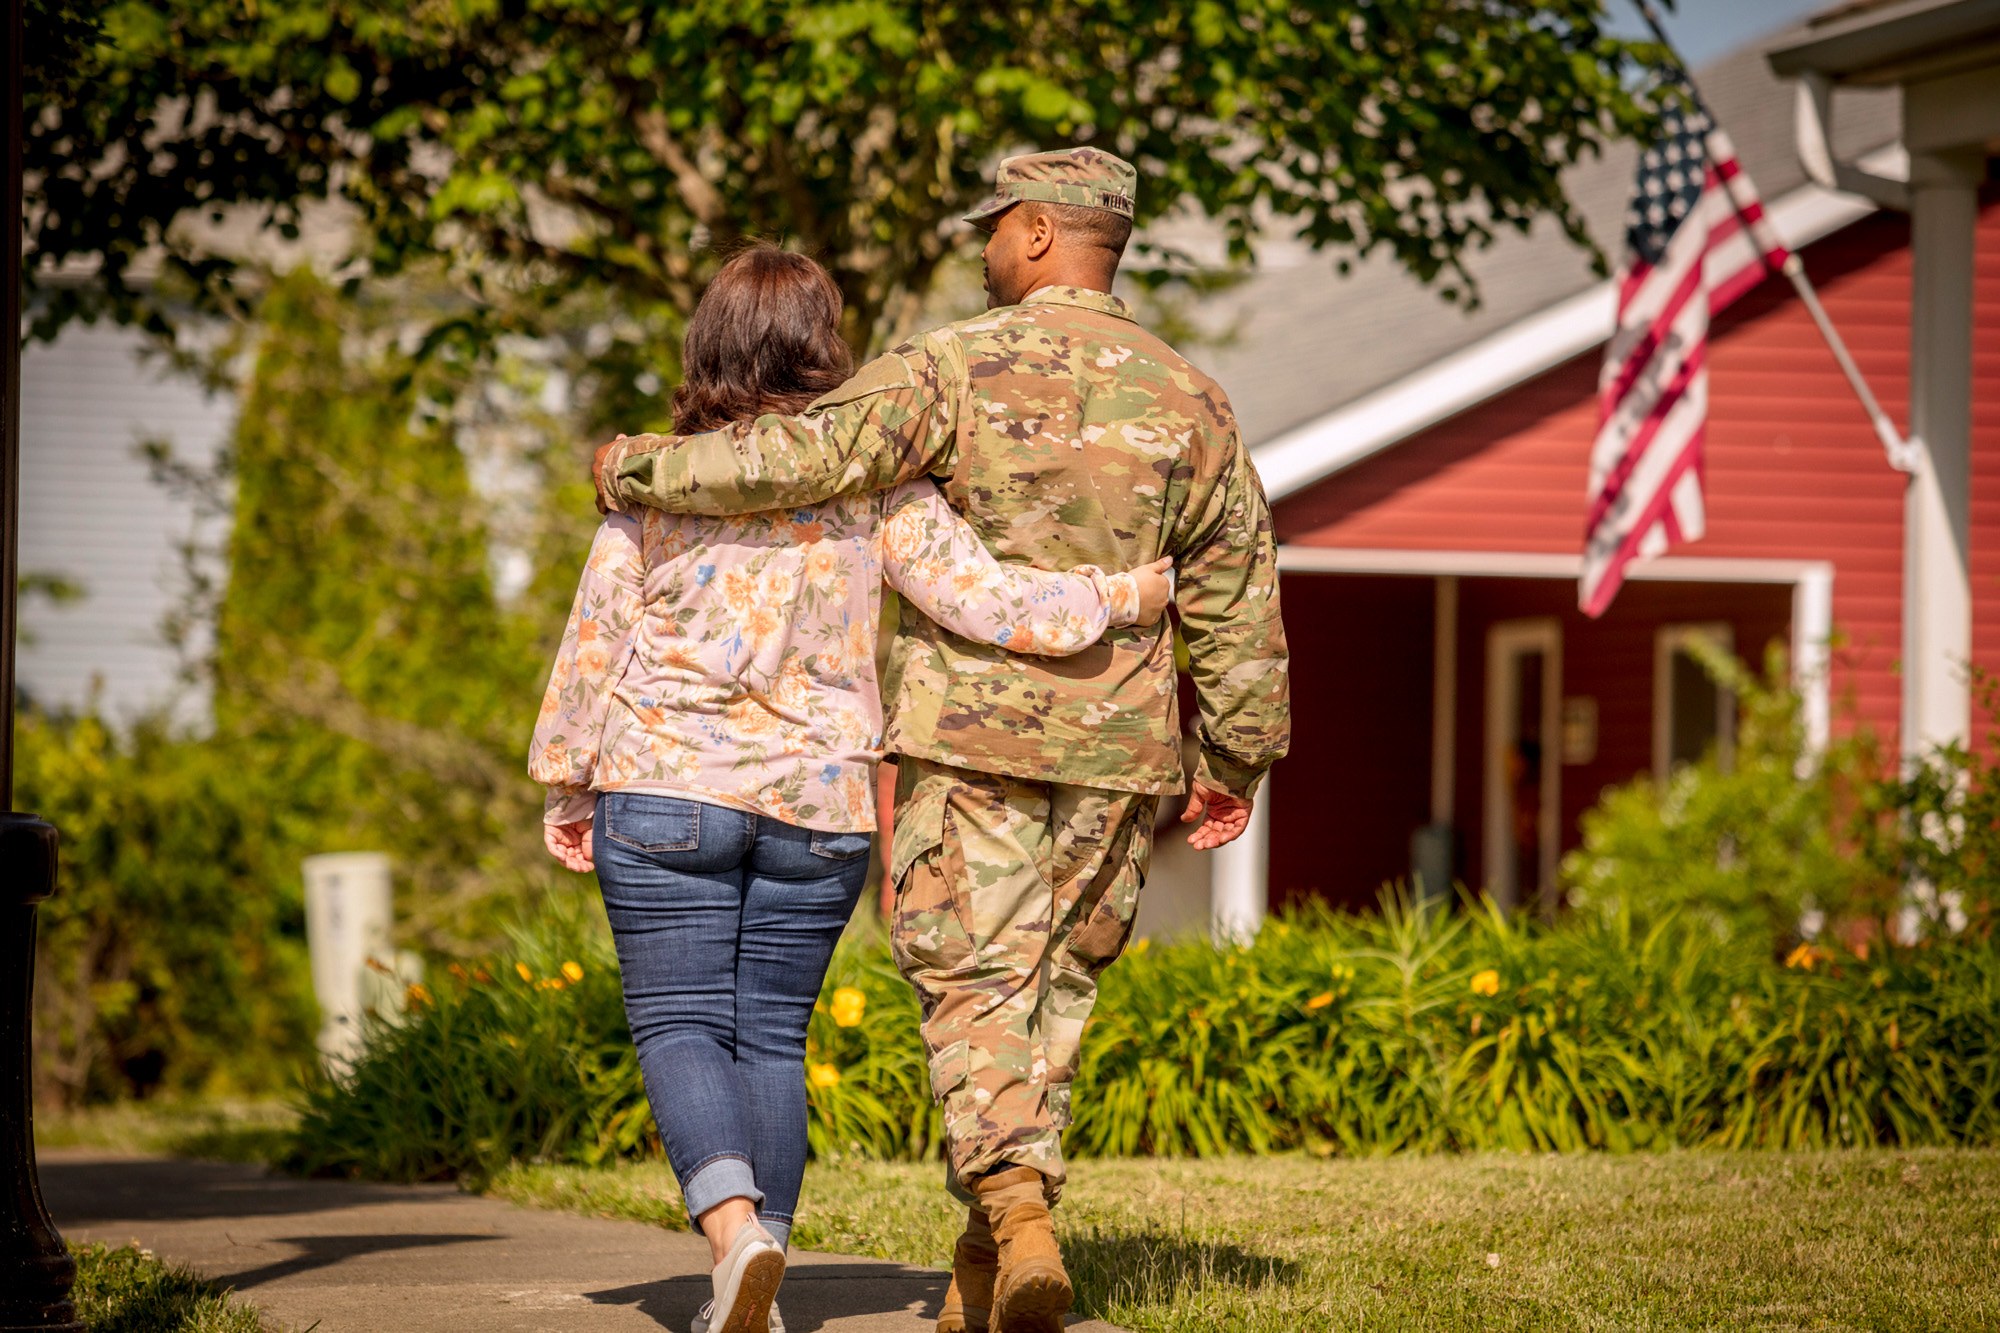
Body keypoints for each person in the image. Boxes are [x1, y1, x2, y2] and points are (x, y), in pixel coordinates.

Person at [591, 149, 1290, 1333]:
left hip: (970, 745)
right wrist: (1234, 758)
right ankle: (985, 1267)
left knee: (970, 991)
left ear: (1029, 234)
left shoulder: (948, 367)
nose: (979, 249)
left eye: (989, 229)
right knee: (1050, 1005)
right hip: (1119, 751)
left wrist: (634, 468)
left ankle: (1017, 1218)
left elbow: (797, 458)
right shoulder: (1193, 397)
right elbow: (1235, 592)